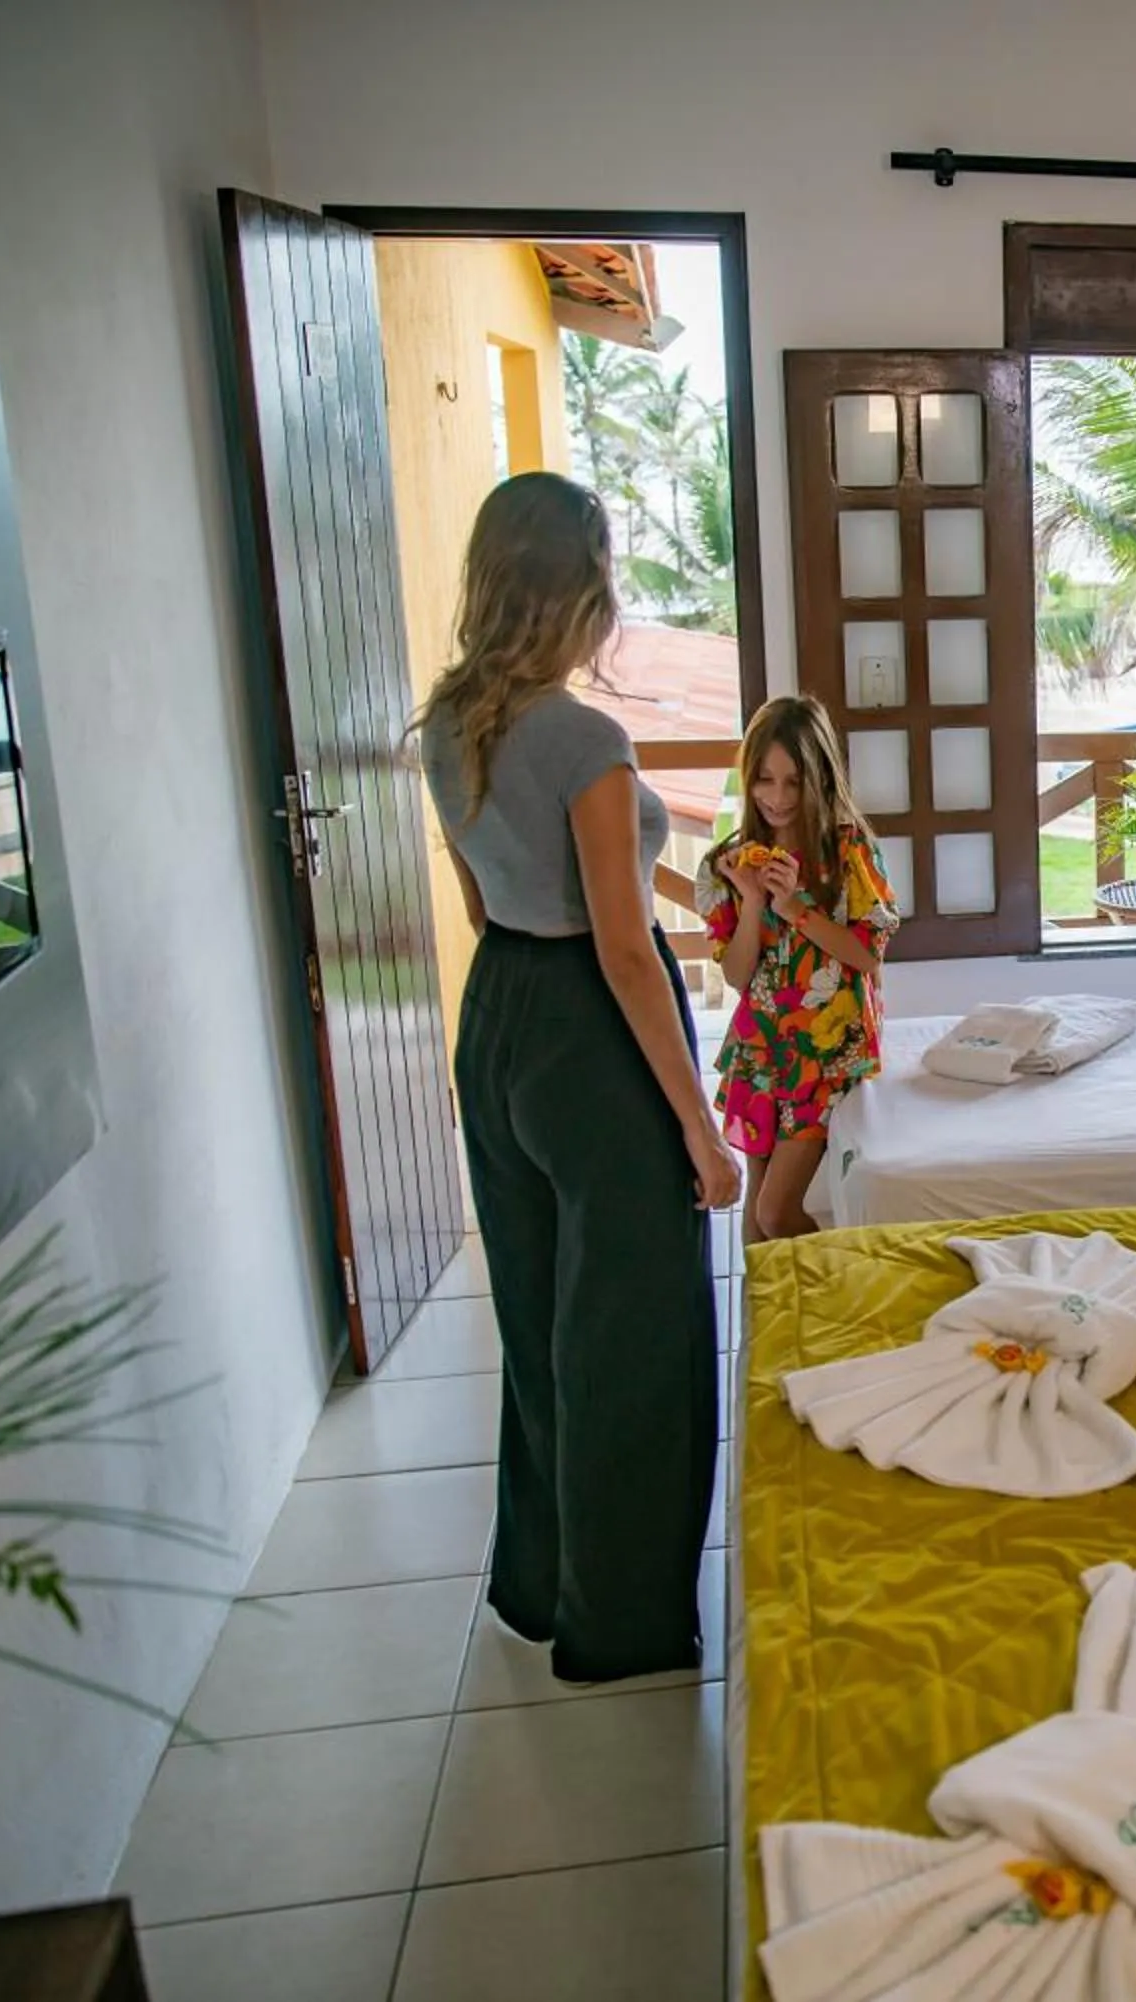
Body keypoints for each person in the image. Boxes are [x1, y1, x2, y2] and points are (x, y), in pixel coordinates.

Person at [414, 471, 737, 1685]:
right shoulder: (586, 737)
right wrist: (701, 1135)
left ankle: (544, 1582)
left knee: (542, 1319)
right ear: (582, 590)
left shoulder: (449, 721)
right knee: (635, 1335)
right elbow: (618, 945)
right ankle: (622, 1623)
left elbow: (489, 894)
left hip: (496, 1012)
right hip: (589, 1037)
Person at [697, 695, 897, 1244]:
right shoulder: (728, 865)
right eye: (764, 780)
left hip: (828, 1056)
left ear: (821, 777)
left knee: (777, 1213)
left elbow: (867, 955)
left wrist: (795, 909)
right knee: (756, 1227)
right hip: (761, 1051)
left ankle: (852, 1282)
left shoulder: (848, 851)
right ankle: (767, 1330)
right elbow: (738, 977)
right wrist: (754, 903)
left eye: (794, 781)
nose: (778, 798)